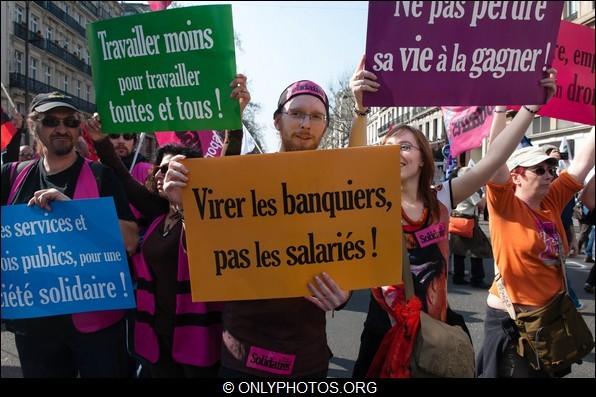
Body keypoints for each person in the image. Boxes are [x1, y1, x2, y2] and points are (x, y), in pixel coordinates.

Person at [347, 55, 557, 377]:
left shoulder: (441, 198)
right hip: (382, 332)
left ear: (421, 159)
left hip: (435, 332)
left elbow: (494, 159)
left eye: (404, 147)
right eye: (387, 147)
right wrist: (360, 108)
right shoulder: (373, 202)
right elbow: (354, 162)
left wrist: (529, 109)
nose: (395, 152)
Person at [164, 79, 351, 378]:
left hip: (307, 358)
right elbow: (208, 251)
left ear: (326, 125)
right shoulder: (243, 177)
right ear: (277, 121)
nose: (306, 123)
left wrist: (344, 296)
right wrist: (185, 208)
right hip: (244, 355)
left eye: (316, 116)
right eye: (297, 113)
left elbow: (352, 255)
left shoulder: (343, 188)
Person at [86, 74, 250, 378]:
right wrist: (99, 141)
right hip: (155, 338)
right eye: (162, 169)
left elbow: (227, 163)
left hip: (198, 341)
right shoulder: (157, 212)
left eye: (178, 168)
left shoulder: (207, 213)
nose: (167, 174)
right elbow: (122, 177)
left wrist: (234, 119)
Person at [0, 91, 139, 378]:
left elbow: (130, 240)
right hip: (35, 326)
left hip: (96, 325)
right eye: (51, 121)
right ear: (33, 125)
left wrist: (75, 212)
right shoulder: (11, 176)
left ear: (79, 128)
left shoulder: (102, 177)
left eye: (71, 121)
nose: (62, 128)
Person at [475, 107, 595, 377]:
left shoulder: (550, 200)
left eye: (550, 168)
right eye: (538, 170)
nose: (548, 174)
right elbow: (495, 157)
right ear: (516, 176)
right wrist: (500, 111)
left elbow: (582, 163)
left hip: (550, 320)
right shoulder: (504, 205)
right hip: (513, 323)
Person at [449, 167, 492, 288]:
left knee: (458, 251)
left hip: (456, 219)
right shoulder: (468, 188)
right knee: (477, 251)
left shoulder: (454, 186)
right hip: (467, 220)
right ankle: (477, 279)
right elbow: (481, 205)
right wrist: (485, 193)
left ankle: (459, 276)